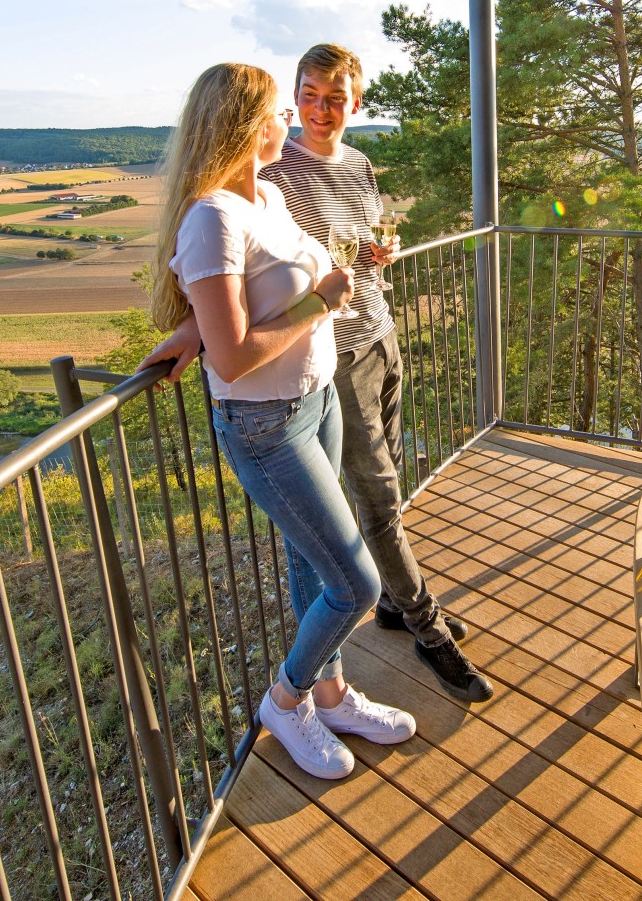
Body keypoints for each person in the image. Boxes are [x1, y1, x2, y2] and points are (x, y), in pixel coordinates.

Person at [149, 45, 494, 703]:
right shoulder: (268, 180)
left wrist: (375, 253)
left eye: (333, 98)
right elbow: (241, 278)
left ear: (355, 104)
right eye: (300, 97)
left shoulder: (309, 179)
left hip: (362, 346)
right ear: (254, 124)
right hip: (293, 387)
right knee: (374, 518)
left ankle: (364, 647)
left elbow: (282, 265)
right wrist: (204, 328)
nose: (312, 110)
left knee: (378, 495)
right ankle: (415, 630)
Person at [149, 61, 417, 781]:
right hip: (267, 425)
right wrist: (318, 307)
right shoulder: (211, 217)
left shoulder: (265, 195)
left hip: (317, 400)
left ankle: (329, 695)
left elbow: (272, 286)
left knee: (313, 564)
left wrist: (199, 327)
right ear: (246, 124)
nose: (289, 122)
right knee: (356, 584)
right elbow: (234, 359)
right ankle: (286, 698)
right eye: (278, 111)